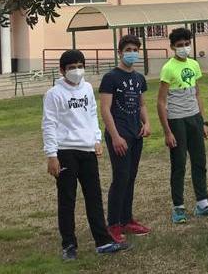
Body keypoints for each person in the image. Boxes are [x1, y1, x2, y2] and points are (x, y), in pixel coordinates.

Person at [43, 50, 128, 260]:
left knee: (94, 197)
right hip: (65, 152)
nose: (76, 71)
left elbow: (91, 114)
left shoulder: (88, 88)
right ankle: (69, 245)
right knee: (67, 200)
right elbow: (49, 124)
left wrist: (96, 139)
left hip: (87, 150)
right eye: (71, 67)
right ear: (62, 70)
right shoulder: (54, 94)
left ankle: (103, 241)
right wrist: (52, 155)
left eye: (80, 66)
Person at [158, 28, 208, 223]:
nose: (184, 48)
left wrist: (203, 121)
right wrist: (167, 131)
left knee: (199, 162)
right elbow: (161, 102)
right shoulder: (168, 68)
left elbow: (197, 94)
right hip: (177, 121)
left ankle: (202, 204)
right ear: (172, 47)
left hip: (194, 119)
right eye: (179, 45)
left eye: (187, 44)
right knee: (179, 165)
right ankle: (178, 208)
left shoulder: (194, 65)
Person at [99, 34, 151, 242]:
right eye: (128, 50)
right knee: (120, 178)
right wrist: (115, 136)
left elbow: (141, 104)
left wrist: (146, 123)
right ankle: (113, 225)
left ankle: (127, 219)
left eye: (135, 50)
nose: (132, 54)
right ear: (120, 53)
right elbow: (105, 109)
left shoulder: (139, 78)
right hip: (119, 135)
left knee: (130, 177)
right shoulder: (111, 78)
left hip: (135, 134)